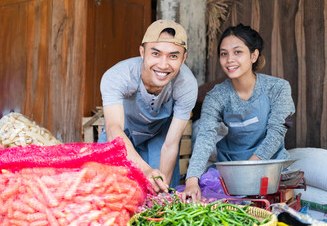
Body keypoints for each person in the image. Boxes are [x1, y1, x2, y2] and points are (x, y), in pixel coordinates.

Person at [182, 24, 295, 201]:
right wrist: (191, 180)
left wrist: (249, 170)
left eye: (237, 52)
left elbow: (277, 132)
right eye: (224, 53)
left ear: (253, 55)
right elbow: (205, 137)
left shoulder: (278, 88)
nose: (229, 60)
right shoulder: (216, 96)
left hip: (268, 164)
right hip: (231, 166)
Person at [98, 20, 198, 193]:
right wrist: (144, 169)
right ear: (142, 52)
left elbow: (171, 143)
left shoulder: (186, 84)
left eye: (173, 56)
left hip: (159, 136)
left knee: (158, 191)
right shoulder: (117, 76)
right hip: (123, 133)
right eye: (156, 54)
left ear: (184, 58)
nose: (163, 64)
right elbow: (114, 129)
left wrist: (161, 190)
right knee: (107, 187)